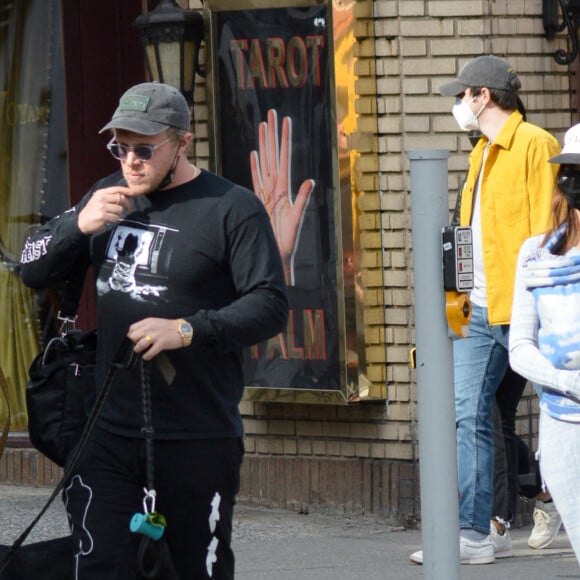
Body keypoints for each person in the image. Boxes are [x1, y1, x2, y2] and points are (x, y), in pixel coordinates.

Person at [19, 82, 289, 579]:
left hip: (196, 434)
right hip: (106, 431)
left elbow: (270, 305)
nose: (131, 161)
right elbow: (29, 266)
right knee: (100, 565)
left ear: (182, 143)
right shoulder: (105, 197)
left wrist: (187, 328)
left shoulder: (232, 208)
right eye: (120, 147)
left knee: (193, 570)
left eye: (145, 149)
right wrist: (78, 224)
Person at [410, 55, 560, 565]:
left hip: (521, 305)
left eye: (463, 94)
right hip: (479, 306)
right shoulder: (481, 153)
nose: (459, 104)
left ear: (484, 96)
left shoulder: (534, 145)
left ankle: (532, 509)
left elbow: (547, 230)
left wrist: (542, 303)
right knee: (468, 415)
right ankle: (476, 532)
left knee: (566, 405)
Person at [509, 121, 580, 564]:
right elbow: (519, 345)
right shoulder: (536, 255)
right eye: (567, 173)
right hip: (562, 422)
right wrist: (566, 381)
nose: (571, 183)